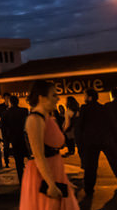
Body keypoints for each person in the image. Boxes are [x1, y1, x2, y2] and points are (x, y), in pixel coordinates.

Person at [19, 80, 80, 210]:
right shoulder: (35, 119)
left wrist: (64, 180)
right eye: (53, 95)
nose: (57, 99)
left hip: (54, 171)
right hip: (42, 176)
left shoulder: (47, 118)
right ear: (42, 98)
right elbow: (38, 155)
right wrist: (51, 184)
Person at [76, 88, 117, 199]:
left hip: (91, 143)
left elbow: (79, 128)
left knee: (91, 168)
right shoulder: (104, 108)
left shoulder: (84, 109)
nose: (84, 98)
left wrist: (80, 144)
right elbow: (112, 125)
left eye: (85, 95)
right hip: (107, 140)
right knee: (116, 165)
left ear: (90, 97)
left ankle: (89, 189)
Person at [2, 94, 30, 182]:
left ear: (10, 102)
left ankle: (21, 179)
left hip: (13, 138)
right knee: (30, 157)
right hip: (24, 136)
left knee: (18, 160)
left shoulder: (6, 113)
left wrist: (6, 139)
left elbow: (3, 127)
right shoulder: (24, 111)